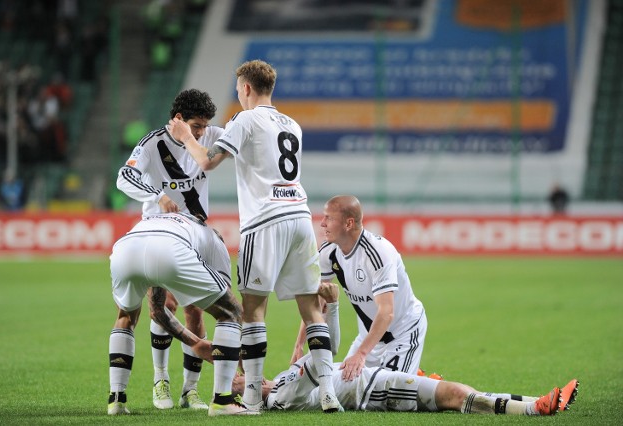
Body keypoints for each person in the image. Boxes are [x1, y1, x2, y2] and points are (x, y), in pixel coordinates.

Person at [168, 59, 342, 413]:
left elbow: (207, 162)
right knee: (311, 309)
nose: (238, 95)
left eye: (237, 90)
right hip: (299, 216)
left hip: (264, 221)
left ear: (246, 88)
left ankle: (250, 397)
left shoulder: (245, 119)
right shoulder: (292, 124)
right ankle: (328, 392)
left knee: (252, 311)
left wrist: (187, 137)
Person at [231, 282, 580, 416]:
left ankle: (536, 401)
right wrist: (333, 308)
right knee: (453, 395)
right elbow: (326, 347)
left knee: (451, 392)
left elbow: (311, 348)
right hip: (370, 389)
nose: (243, 375)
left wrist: (318, 310)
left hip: (370, 378)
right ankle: (537, 410)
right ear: (241, 397)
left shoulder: (279, 381)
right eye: (237, 381)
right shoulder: (280, 395)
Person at [116, 89, 223, 411]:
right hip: (159, 232)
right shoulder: (151, 143)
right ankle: (160, 380)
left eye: (205, 126)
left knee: (196, 309)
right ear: (178, 120)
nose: (202, 132)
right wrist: (157, 195)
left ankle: (190, 390)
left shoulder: (212, 135)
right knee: (165, 304)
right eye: (196, 125)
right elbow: (125, 176)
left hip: (196, 230)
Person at [107, 212, 257, 416]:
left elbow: (157, 310)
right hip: (169, 248)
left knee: (125, 317)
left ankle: (116, 399)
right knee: (231, 312)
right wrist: (239, 361)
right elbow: (227, 308)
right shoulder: (215, 241)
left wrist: (194, 342)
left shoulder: (167, 221)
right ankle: (222, 400)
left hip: (124, 248)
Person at [294, 195, 427, 381]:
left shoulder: (378, 253)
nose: (322, 223)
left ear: (348, 224)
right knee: (345, 386)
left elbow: (387, 312)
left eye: (329, 218)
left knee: (392, 396)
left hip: (403, 331)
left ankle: (424, 379)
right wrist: (299, 344)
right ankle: (412, 374)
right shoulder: (328, 252)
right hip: (369, 335)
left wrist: (361, 354)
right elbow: (315, 303)